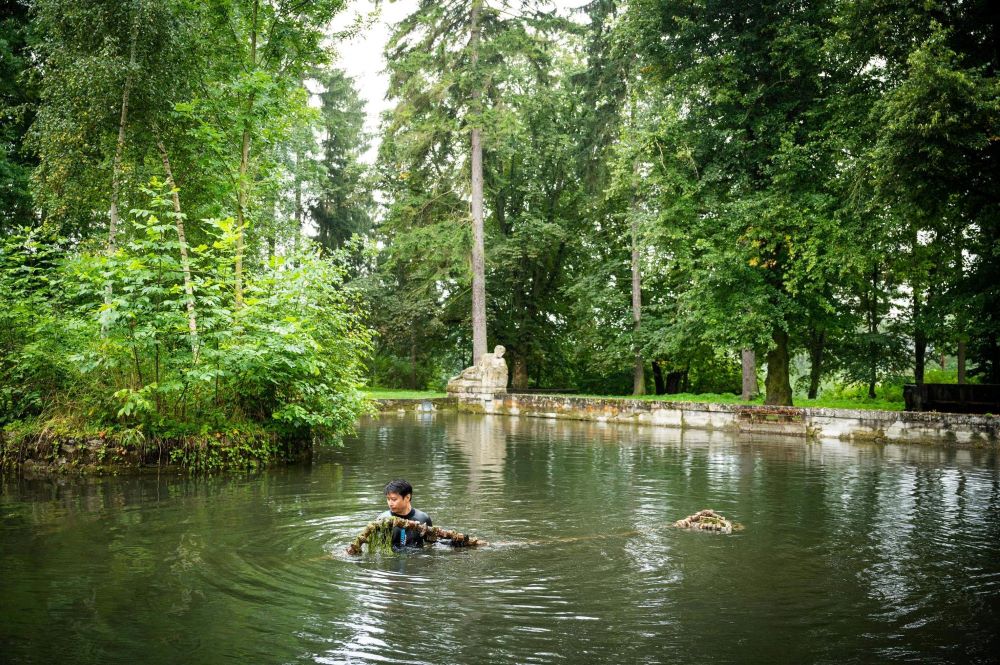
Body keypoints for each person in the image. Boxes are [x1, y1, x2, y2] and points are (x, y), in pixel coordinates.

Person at [378, 479, 432, 550]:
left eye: (394, 499)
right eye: (388, 499)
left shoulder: (423, 518)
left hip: (415, 558)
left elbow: (431, 545)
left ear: (407, 497)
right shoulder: (383, 519)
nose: (390, 503)